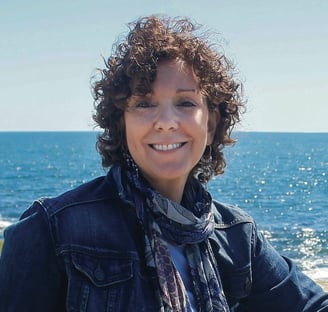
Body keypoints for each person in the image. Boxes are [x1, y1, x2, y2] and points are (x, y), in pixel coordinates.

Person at [0, 15, 327, 312]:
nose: (166, 122)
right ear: (121, 122)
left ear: (211, 125)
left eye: (185, 102)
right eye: (144, 103)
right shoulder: (52, 229)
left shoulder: (236, 235)